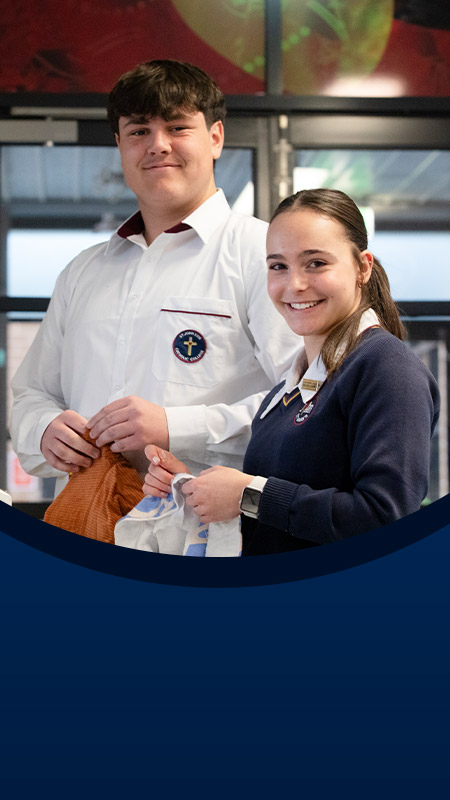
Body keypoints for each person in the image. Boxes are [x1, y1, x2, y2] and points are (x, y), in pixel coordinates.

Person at [10, 60, 299, 499]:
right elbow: (31, 394)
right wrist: (44, 428)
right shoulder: (83, 272)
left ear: (215, 138)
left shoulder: (264, 255)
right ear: (119, 145)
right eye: (139, 131)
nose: (158, 145)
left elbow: (304, 402)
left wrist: (175, 427)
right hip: (88, 522)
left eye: (178, 128)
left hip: (211, 529)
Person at [143, 188, 440, 556]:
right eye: (278, 266)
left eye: (316, 263)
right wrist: (195, 488)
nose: (295, 285)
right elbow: (280, 516)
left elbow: (386, 518)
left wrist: (248, 495)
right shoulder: (290, 388)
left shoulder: (385, 367)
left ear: (363, 267)